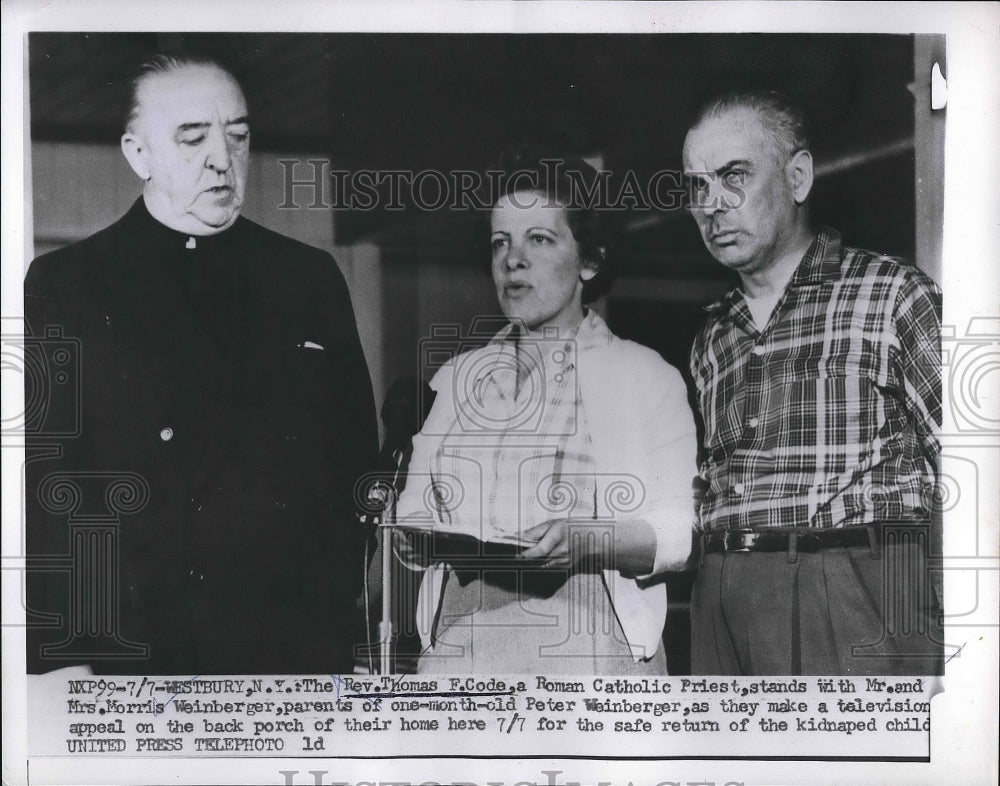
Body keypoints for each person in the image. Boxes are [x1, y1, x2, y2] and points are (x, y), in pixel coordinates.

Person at [24, 53, 377, 674]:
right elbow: (50, 485)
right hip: (142, 643)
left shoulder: (308, 277)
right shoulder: (68, 283)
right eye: (193, 137)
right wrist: (67, 652)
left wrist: (330, 605)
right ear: (139, 154)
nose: (223, 158)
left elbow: (353, 463)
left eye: (238, 136)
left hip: (292, 642)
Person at [394, 154, 698, 674]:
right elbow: (414, 514)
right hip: (460, 640)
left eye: (538, 239)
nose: (512, 260)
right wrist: (414, 534)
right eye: (499, 242)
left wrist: (588, 540)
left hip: (590, 639)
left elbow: (679, 537)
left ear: (590, 260)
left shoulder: (646, 376)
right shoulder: (452, 380)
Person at [682, 91, 943, 675]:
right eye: (697, 186)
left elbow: (975, 473)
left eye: (733, 176)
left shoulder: (894, 294)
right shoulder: (712, 338)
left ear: (797, 178)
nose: (712, 204)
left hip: (855, 586)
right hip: (723, 594)